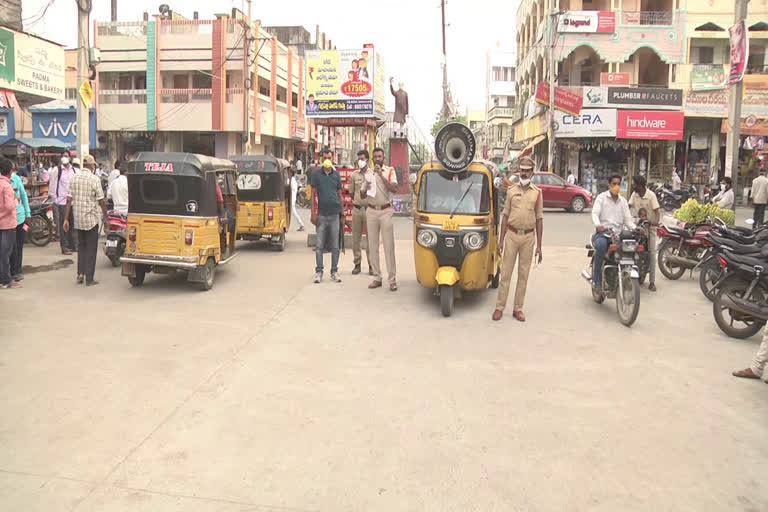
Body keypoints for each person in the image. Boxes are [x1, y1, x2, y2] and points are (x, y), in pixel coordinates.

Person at [492, 157, 544, 322]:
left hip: (528, 237)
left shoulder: (537, 193)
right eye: (522, 169)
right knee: (506, 273)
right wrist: (501, 241)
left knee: (523, 275)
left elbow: (539, 219)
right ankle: (499, 307)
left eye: (527, 170)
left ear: (532, 173)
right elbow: (505, 216)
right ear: (519, 171)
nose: (524, 172)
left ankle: (517, 309)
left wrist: (539, 246)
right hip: (512, 236)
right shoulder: (511, 190)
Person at [63, 154, 107, 286]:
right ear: (92, 166)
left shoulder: (74, 178)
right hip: (91, 220)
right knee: (91, 249)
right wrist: (107, 217)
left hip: (78, 219)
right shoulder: (94, 179)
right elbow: (101, 201)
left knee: (81, 247)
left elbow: (69, 200)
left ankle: (80, 274)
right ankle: (89, 278)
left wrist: (66, 219)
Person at [361, 147, 399, 291]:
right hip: (371, 210)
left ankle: (392, 279)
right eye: (375, 157)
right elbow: (363, 194)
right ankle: (377, 277)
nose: (377, 159)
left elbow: (394, 188)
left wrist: (381, 176)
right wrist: (365, 189)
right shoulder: (368, 173)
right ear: (372, 158)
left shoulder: (390, 171)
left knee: (389, 247)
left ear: (384, 158)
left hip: (385, 211)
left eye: (380, 156)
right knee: (372, 246)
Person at [590, 174, 636, 289]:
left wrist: (635, 228)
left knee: (632, 249)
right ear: (609, 185)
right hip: (603, 234)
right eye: (614, 184)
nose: (616, 186)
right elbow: (595, 213)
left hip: (618, 236)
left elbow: (628, 220)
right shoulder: (601, 198)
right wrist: (598, 224)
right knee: (600, 246)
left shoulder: (623, 201)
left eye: (618, 184)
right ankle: (597, 281)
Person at [310, 149, 343, 284]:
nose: (327, 160)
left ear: (333, 158)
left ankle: (334, 271)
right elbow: (312, 194)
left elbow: (340, 195)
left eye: (329, 157)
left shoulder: (336, 175)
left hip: (335, 215)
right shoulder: (316, 174)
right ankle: (319, 272)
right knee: (319, 246)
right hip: (322, 215)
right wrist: (313, 213)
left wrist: (342, 214)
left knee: (335, 246)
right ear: (321, 159)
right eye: (324, 158)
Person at [628, 174, 660, 292]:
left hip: (649, 228)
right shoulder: (634, 195)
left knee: (652, 253)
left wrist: (655, 221)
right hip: (637, 227)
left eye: (635, 184)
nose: (633, 186)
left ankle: (652, 282)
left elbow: (657, 211)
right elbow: (628, 206)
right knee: (630, 249)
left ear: (640, 185)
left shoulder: (651, 196)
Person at [48, 152, 77, 255]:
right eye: (63, 156)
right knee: (64, 225)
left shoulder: (74, 170)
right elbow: (52, 187)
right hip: (63, 202)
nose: (65, 158)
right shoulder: (57, 170)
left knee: (72, 224)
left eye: (67, 156)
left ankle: (72, 245)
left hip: (73, 202)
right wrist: (56, 200)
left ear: (70, 158)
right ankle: (64, 247)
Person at [349, 149, 372, 275]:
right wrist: (358, 201)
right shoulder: (354, 175)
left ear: (367, 160)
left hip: (369, 210)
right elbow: (352, 193)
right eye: (359, 159)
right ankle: (357, 264)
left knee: (371, 239)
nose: (360, 161)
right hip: (357, 209)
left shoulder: (372, 174)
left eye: (362, 159)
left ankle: (371, 265)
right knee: (355, 239)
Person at [0, 157, 20, 289]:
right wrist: (16, 201)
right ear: (10, 171)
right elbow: (8, 206)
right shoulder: (7, 186)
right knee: (5, 253)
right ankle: (6, 280)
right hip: (7, 224)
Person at [9, 164, 30, 283]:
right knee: (8, 247)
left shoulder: (16, 179)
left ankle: (17, 270)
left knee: (19, 245)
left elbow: (23, 196)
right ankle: (9, 271)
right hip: (6, 220)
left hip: (20, 218)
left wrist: (28, 214)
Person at [289, 167, 305, 232]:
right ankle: (301, 224)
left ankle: (301, 224)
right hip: (292, 199)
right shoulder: (292, 180)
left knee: (294, 213)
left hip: (292, 199)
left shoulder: (292, 180)